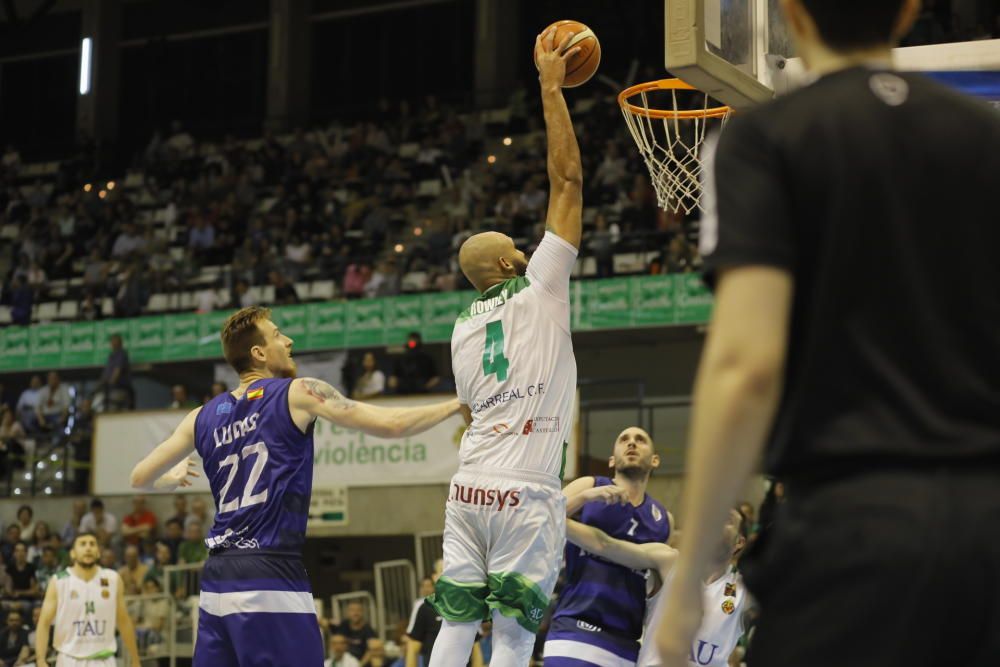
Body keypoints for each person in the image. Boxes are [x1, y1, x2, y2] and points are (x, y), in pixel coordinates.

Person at [655, 1, 1000, 666]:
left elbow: (746, 366)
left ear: (790, 13)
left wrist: (687, 581)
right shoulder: (982, 137)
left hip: (854, 526)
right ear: (909, 11)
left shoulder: (766, 138)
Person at [129, 305, 461, 667]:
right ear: (258, 353)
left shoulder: (201, 416)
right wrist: (457, 405)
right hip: (269, 572)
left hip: (216, 580)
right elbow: (392, 424)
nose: (288, 341)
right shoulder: (297, 392)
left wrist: (172, 480)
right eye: (276, 335)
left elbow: (140, 477)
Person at [427, 28, 584, 667]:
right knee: (515, 633)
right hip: (524, 487)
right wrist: (551, 86)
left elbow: (470, 410)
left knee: (456, 625)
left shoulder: (461, 328)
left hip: (468, 488)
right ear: (511, 259)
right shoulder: (541, 282)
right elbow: (568, 181)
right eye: (515, 240)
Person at [563, 486, 749, 667]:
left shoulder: (744, 590)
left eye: (726, 520)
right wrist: (555, 517)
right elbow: (605, 545)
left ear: (739, 542)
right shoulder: (670, 561)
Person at [544, 428, 671, 666]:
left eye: (640, 440)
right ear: (612, 460)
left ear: (655, 460)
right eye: (624, 439)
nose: (631, 443)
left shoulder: (663, 519)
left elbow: (659, 587)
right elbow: (541, 519)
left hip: (627, 644)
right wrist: (585, 497)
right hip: (575, 628)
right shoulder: (590, 485)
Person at [35, 532, 141, 667]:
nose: (88, 548)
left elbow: (124, 621)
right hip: (69, 660)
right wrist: (40, 660)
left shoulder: (112, 578)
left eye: (92, 544)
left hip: (104, 660)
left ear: (98, 552)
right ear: (73, 553)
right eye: (83, 544)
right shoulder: (59, 581)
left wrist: (135, 659)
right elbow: (44, 623)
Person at [98, 334, 132, 412]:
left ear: (120, 343)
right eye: (112, 341)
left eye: (115, 341)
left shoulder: (121, 354)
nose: (113, 343)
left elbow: (117, 371)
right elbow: (105, 375)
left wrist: (110, 383)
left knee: (112, 411)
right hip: (110, 390)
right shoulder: (111, 356)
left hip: (119, 389)